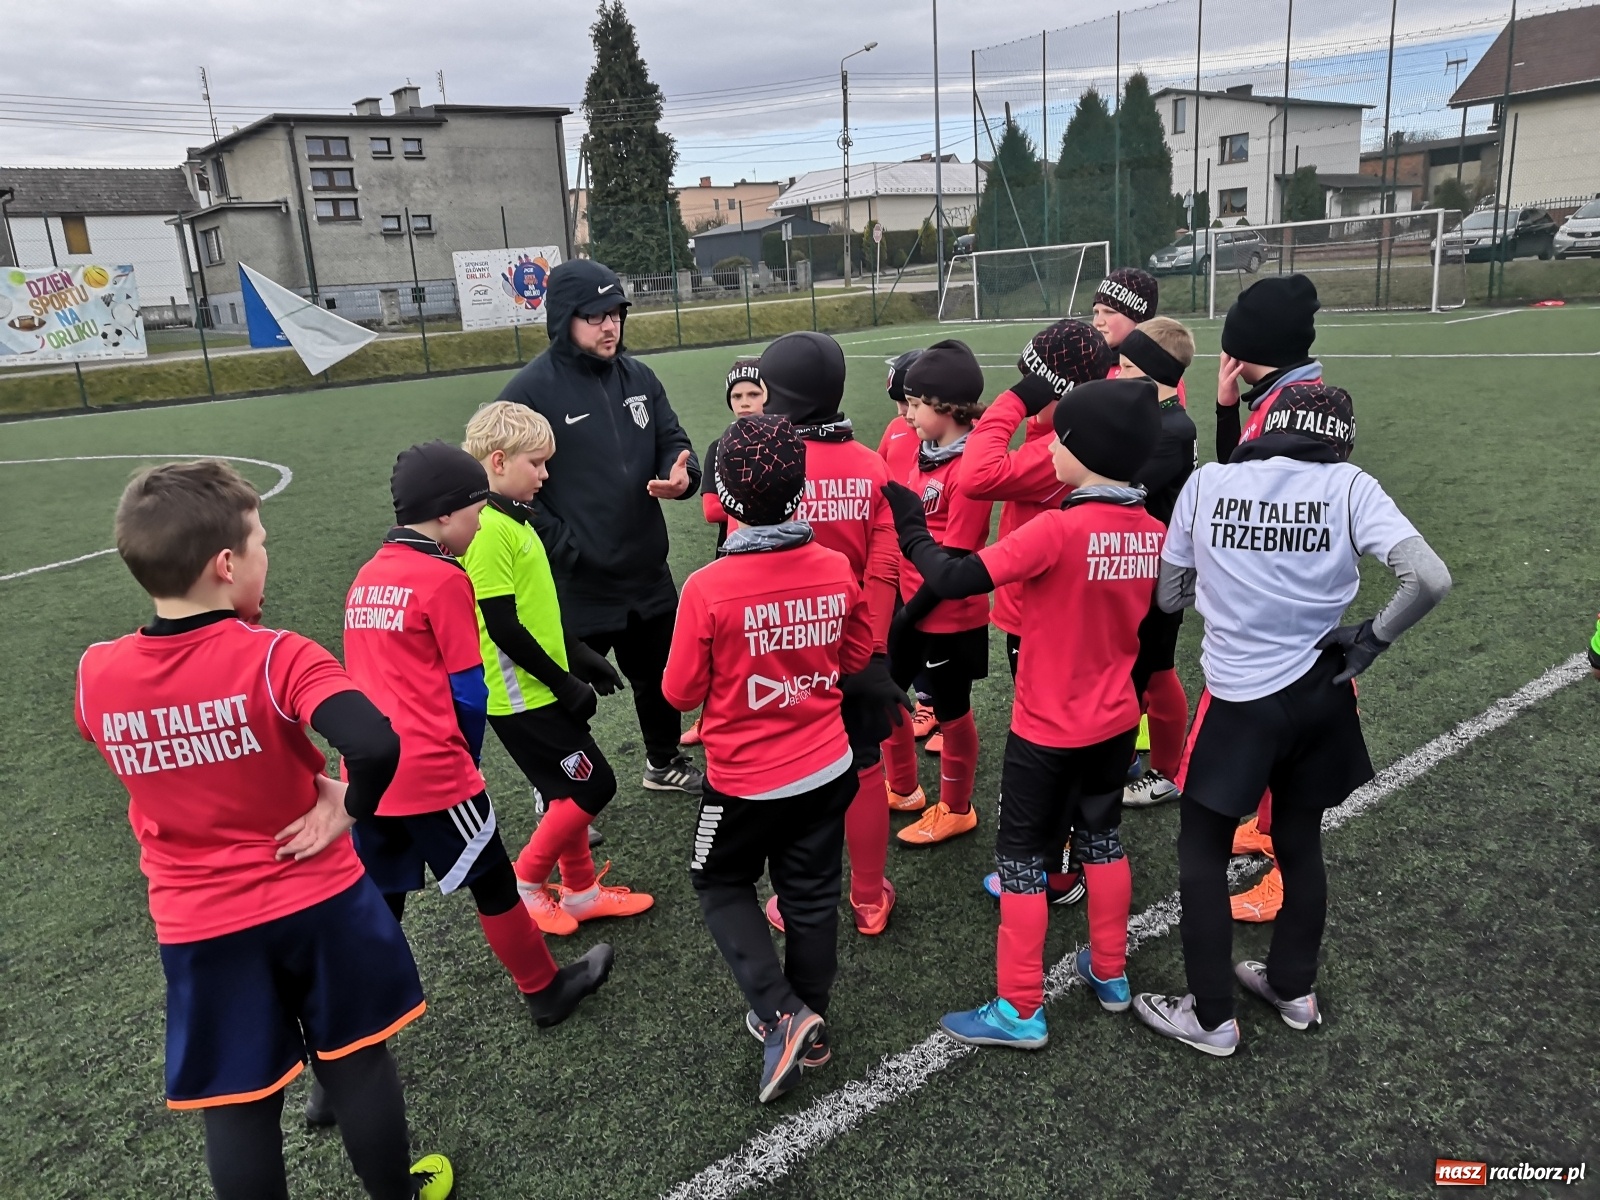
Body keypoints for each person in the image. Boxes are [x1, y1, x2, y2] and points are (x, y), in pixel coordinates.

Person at [74, 459, 453, 1200]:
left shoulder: (97, 673)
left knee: (240, 1102)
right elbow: (375, 742)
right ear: (225, 564)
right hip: (316, 900)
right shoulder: (278, 655)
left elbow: (116, 738)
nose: (265, 556)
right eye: (260, 544)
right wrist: (347, 805)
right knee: (355, 1059)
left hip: (197, 922)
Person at [1133, 381, 1451, 1056]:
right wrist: (1370, 637)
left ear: (1264, 422)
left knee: (1200, 852)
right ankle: (1292, 987)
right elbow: (1428, 577)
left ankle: (1212, 1017)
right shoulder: (1350, 485)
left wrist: (1226, 593)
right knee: (1300, 838)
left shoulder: (1208, 482)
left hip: (1240, 696)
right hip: (1321, 688)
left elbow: (1168, 595)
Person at [881, 379, 1166, 1047]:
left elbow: (954, 578)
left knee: (1021, 863)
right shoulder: (1152, 529)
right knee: (1102, 840)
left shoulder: (1059, 531)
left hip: (1047, 730)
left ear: (1087, 452)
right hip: (1117, 720)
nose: (1051, 450)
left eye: (1062, 440)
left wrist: (911, 528)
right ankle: (1112, 971)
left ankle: (1019, 1008)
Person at [662, 416, 907, 1103]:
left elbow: (679, 691)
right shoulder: (834, 566)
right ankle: (812, 1027)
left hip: (744, 780)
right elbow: (856, 657)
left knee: (718, 884)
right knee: (809, 897)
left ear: (726, 502)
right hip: (826, 766)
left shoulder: (708, 588)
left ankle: (784, 1012)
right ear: (800, 490)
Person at [342, 441, 614, 1030]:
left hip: (368, 775)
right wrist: (463, 755)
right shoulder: (443, 578)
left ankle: (347, 1048)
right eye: (474, 507)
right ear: (445, 514)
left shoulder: (367, 576)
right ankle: (545, 991)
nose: (479, 518)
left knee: (379, 904)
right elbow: (469, 690)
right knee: (493, 880)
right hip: (430, 772)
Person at [497, 258, 704, 795]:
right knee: (566, 694)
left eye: (615, 313)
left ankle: (663, 762)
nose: (609, 326)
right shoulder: (528, 393)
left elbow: (672, 440)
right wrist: (565, 545)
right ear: (564, 318)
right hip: (575, 583)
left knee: (659, 679)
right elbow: (506, 491)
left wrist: (682, 475)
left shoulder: (639, 377)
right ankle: (558, 790)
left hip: (645, 571)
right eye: (594, 315)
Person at [458, 403, 654, 937]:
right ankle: (525, 884)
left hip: (541, 687)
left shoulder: (515, 519)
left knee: (570, 791)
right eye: (537, 464)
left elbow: (535, 609)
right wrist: (561, 681)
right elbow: (502, 625)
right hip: (523, 698)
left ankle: (583, 893)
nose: (546, 475)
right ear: (498, 461)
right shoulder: (490, 530)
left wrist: (580, 656)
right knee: (594, 788)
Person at [960, 318, 1114, 904]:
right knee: (1065, 739)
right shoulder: (1066, 432)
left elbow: (979, 477)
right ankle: (1065, 855)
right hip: (1057, 611)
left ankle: (1053, 867)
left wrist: (1015, 400)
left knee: (1047, 747)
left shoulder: (1062, 449)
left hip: (1040, 616)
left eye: (1032, 377)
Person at [757, 331, 901, 935]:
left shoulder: (766, 464)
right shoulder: (872, 465)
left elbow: (751, 563)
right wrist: (873, 652)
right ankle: (868, 898)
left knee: (792, 771)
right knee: (865, 766)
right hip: (857, 648)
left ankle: (796, 900)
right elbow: (886, 568)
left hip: (780, 650)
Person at [1210, 273, 1328, 921]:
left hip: (1292, 605)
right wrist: (1227, 405)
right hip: (1277, 596)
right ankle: (1266, 823)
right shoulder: (1277, 393)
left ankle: (1288, 872)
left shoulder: (1299, 407)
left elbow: (1257, 496)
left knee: (1290, 735)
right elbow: (1238, 473)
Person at [884, 341, 995, 846]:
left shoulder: (969, 468)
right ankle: (904, 788)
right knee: (885, 692)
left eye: (914, 404)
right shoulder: (926, 450)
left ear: (948, 408)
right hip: (912, 606)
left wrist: (910, 614)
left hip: (948, 616)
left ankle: (956, 807)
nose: (905, 415)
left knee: (952, 712)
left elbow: (957, 559)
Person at [1114, 318, 1199, 809]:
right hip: (1147, 561)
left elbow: (1124, 483)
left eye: (1126, 368)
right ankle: (1133, 758)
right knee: (1142, 666)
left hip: (1162, 566)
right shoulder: (1161, 419)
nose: (1119, 376)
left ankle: (1167, 771)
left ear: (1150, 374)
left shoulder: (1170, 427)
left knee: (1155, 668)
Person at [877, 349, 939, 750]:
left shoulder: (942, 435)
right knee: (904, 630)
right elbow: (880, 471)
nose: (903, 411)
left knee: (936, 633)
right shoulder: (896, 429)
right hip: (898, 550)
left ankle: (943, 709)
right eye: (900, 403)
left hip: (934, 555)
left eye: (910, 402)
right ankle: (926, 702)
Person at [699, 359, 768, 552]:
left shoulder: (786, 443)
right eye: (736, 396)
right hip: (734, 550)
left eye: (753, 394)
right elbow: (711, 510)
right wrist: (769, 504)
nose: (744, 403)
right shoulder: (719, 447)